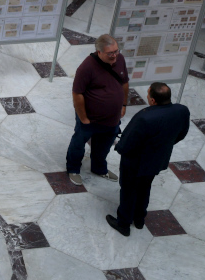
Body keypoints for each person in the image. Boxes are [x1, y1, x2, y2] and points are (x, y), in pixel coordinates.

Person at [106, 82, 190, 237]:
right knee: (145, 187)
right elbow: (181, 134)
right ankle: (139, 219)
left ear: (152, 100)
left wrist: (119, 148)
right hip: (157, 160)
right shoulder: (182, 110)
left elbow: (127, 143)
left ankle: (123, 223)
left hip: (135, 162)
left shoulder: (144, 117)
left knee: (128, 191)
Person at [66, 34, 129, 186]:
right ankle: (73, 169)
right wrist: (83, 118)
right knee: (78, 143)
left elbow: (124, 82)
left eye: (116, 51)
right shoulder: (86, 67)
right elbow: (77, 94)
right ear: (99, 52)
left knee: (104, 146)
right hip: (90, 118)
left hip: (112, 118)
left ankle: (99, 169)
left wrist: (123, 105)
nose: (114, 55)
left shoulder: (120, 59)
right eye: (110, 53)